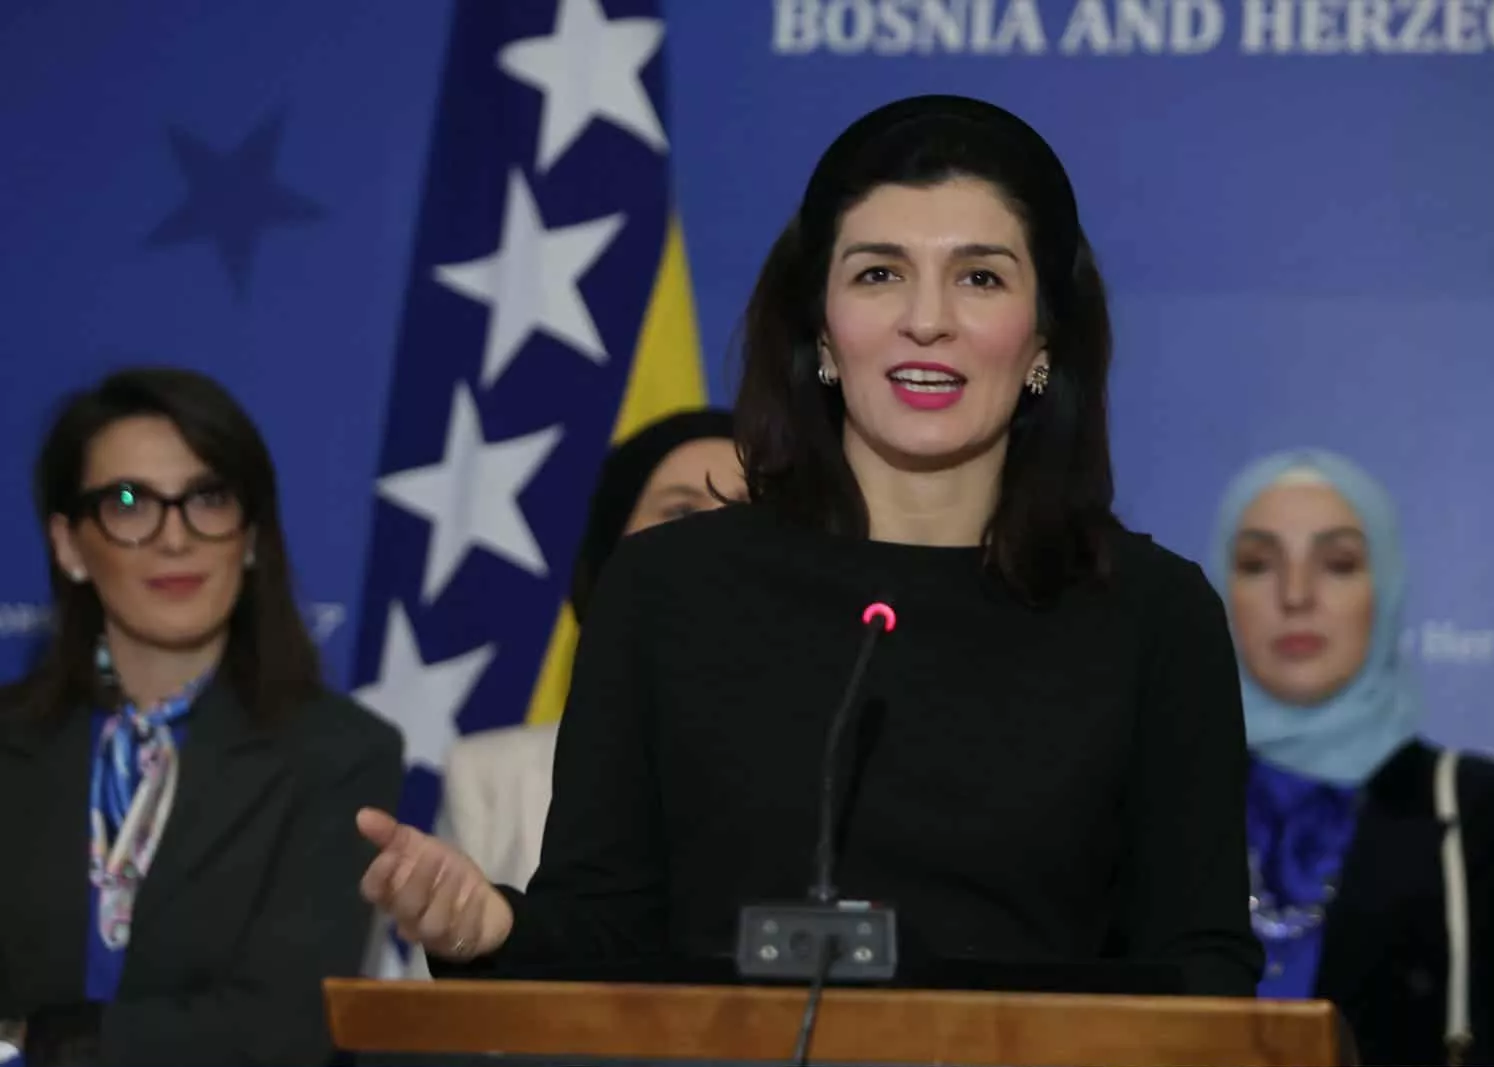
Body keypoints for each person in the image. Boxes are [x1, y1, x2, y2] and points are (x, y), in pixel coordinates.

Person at [357, 94, 1263, 997]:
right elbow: (602, 936)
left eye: (980, 278)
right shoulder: (669, 590)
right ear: (822, 330)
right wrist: (493, 931)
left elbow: (1203, 971)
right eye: (880, 273)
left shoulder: (1153, 616)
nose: (926, 319)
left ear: (1046, 339)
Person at [0, 367, 403, 1066]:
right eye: (128, 502)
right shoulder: (11, 740)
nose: (175, 537)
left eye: (208, 498)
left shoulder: (341, 754)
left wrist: (41, 1041)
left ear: (249, 535)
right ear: (68, 545)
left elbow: (286, 1026)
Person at [1208, 448, 1494, 1065]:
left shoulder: (1480, 812)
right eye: (1259, 564)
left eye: (1338, 564)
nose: (1296, 595)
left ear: (1386, 587)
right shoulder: (1153, 803)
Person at [440, 408, 741, 890]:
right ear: (609, 550)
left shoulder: (836, 769)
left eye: (745, 511)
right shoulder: (490, 779)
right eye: (681, 511)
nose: (713, 534)